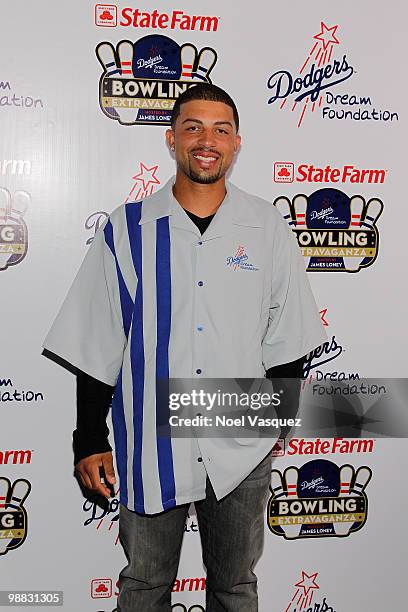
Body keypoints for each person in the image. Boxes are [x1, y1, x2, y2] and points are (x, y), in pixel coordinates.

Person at [43, 83, 326, 611]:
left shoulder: (268, 228)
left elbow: (289, 337)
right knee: (145, 584)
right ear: (171, 139)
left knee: (235, 586)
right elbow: (97, 339)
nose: (207, 140)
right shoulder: (126, 230)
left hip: (240, 429)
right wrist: (88, 439)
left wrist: (273, 426)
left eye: (221, 130)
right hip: (151, 435)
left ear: (236, 144)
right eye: (193, 127)